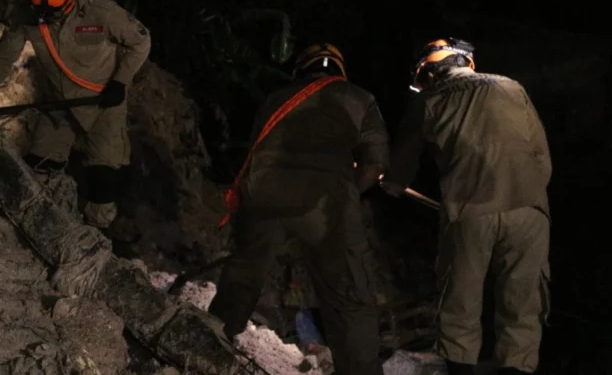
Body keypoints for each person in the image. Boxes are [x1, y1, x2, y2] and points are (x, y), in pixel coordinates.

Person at [207, 43, 388, 375]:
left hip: (265, 200)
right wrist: (348, 192)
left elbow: (256, 150)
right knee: (350, 299)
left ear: (299, 70)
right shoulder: (361, 98)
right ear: (339, 71)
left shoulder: (276, 98)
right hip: (327, 203)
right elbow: (375, 163)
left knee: (242, 279)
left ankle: (203, 354)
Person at [380, 38, 551, 375]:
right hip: (530, 213)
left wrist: (389, 184)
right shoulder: (512, 87)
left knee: (460, 309)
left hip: (469, 213)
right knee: (522, 310)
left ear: (428, 74)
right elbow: (542, 158)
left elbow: (399, 170)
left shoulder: (429, 100)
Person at [0, 0, 151, 229]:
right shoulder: (29, 14)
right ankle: (34, 233)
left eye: (53, 12)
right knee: (37, 172)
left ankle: (97, 244)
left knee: (103, 184)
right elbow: (3, 56)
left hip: (103, 106)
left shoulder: (100, 12)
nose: (45, 18)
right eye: (41, 11)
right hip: (59, 107)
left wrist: (120, 82)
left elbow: (141, 41)